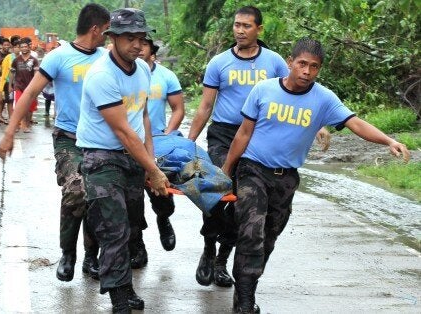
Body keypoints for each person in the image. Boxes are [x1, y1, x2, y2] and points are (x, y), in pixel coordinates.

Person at [223, 37, 410, 313]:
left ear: (319, 69)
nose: (306, 72)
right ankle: (245, 304)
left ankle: (245, 292)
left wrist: (388, 141)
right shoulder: (263, 90)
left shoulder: (323, 99)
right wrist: (227, 170)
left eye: (314, 67)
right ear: (290, 62)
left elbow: (355, 123)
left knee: (268, 239)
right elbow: (244, 133)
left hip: (286, 178)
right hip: (253, 169)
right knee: (252, 232)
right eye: (301, 64)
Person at [187, 5, 331, 289]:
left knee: (245, 204)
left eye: (246, 26)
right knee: (214, 189)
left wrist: (321, 124)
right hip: (224, 135)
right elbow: (205, 107)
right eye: (237, 25)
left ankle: (222, 259)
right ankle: (208, 248)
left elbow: (300, 91)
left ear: (258, 29)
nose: (240, 30)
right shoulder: (219, 63)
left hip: (258, 136)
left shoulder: (275, 61)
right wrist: (188, 142)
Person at [0, 3, 111, 283]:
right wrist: (10, 132)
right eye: (107, 31)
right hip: (69, 138)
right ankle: (68, 254)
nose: (109, 37)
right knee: (76, 191)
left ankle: (91, 257)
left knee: (98, 197)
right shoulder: (58, 57)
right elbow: (29, 93)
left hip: (101, 141)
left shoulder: (107, 59)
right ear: (95, 29)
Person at [76, 8, 170, 313]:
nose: (136, 44)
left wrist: (149, 163)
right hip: (102, 159)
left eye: (141, 38)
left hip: (132, 158)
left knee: (130, 228)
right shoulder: (102, 75)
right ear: (112, 38)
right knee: (113, 230)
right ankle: (119, 302)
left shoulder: (142, 70)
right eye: (129, 37)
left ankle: (125, 288)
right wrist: (153, 170)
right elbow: (123, 131)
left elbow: (142, 119)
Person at [131, 36, 184, 267]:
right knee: (131, 202)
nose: (138, 48)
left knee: (162, 194)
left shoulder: (165, 76)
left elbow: (178, 109)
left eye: (144, 45)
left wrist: (167, 134)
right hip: (128, 143)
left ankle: (164, 218)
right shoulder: (122, 74)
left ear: (152, 52)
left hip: (157, 143)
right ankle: (138, 247)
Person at [9, 37, 39, 132]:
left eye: (26, 46)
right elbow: (12, 73)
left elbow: (36, 75)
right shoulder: (16, 60)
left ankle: (27, 123)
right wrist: (10, 85)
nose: (24, 48)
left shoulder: (34, 60)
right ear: (20, 48)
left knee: (29, 108)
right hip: (18, 86)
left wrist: (36, 87)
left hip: (30, 87)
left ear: (29, 47)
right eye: (22, 47)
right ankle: (21, 125)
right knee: (19, 106)